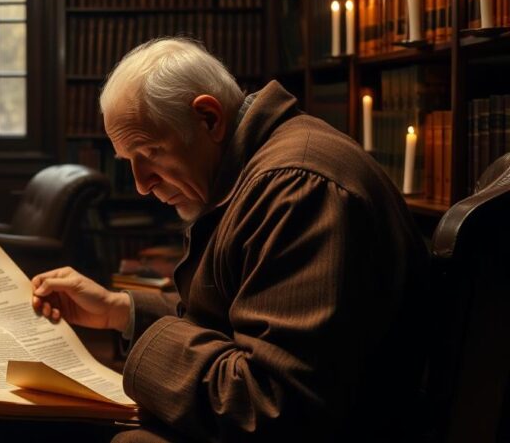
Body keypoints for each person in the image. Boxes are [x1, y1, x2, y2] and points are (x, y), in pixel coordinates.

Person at [32, 37, 428, 442]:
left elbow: (271, 407)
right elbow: (235, 318)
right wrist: (119, 311)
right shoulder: (262, 171)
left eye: (149, 152)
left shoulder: (298, 189)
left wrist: (153, 348)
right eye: (128, 162)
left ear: (208, 118)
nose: (141, 184)